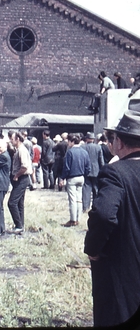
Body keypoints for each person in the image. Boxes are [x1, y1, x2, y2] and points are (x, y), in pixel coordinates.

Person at [84, 103, 140, 327]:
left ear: (120, 142)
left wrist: (93, 249)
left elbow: (105, 215)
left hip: (122, 271)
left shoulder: (115, 172)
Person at [58, 133, 89, 227]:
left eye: (69, 141)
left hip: (72, 178)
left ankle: (73, 220)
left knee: (72, 199)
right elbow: (88, 167)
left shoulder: (70, 152)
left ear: (72, 141)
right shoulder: (84, 152)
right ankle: (78, 218)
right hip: (81, 177)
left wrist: (62, 178)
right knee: (79, 199)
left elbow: (66, 167)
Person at [7, 131, 32, 233]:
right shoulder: (18, 149)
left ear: (17, 139)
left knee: (12, 203)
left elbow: (24, 166)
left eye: (12, 139)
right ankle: (20, 226)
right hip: (21, 178)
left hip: (22, 178)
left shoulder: (22, 150)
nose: (10, 141)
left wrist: (16, 175)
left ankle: (18, 225)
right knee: (19, 203)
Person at [81, 132, 104, 212]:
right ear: (93, 139)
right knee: (96, 189)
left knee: (86, 189)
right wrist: (103, 170)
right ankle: (96, 207)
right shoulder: (98, 147)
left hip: (85, 170)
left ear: (86, 139)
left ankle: (85, 207)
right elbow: (101, 160)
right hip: (96, 170)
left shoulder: (82, 147)